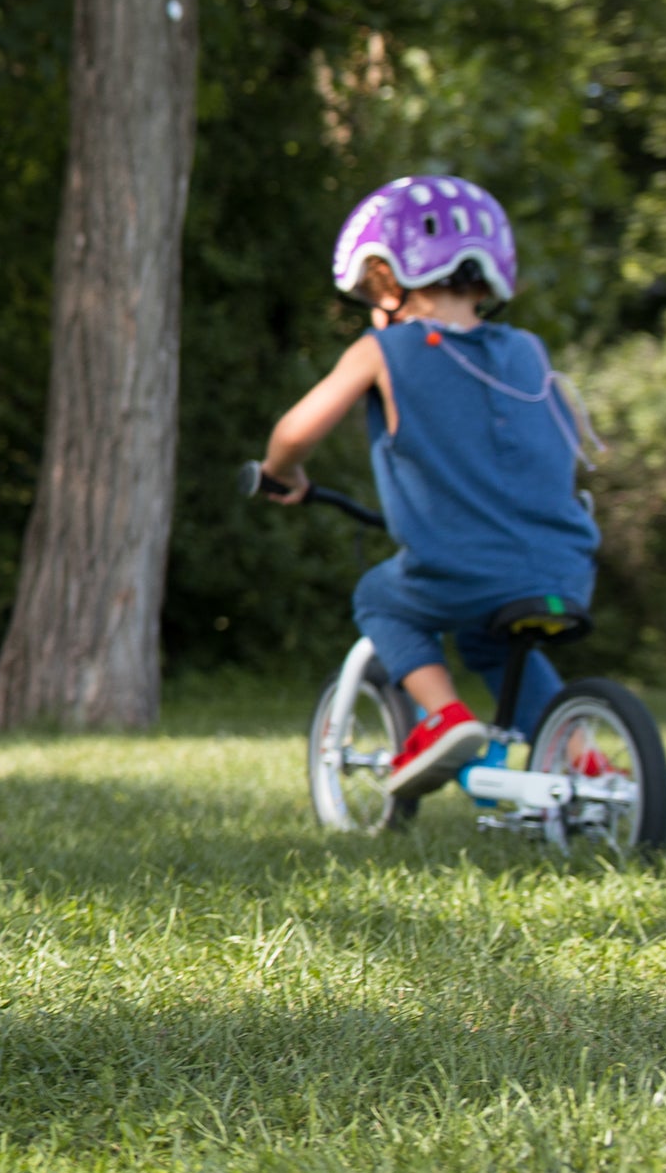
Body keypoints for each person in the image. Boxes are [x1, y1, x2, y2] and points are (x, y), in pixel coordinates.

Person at [256, 175, 601, 801]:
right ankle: (584, 759)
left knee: (381, 598)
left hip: (462, 568)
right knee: (487, 639)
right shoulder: (528, 349)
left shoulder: (383, 348)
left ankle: (444, 718)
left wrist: (283, 472)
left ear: (387, 276)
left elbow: (294, 432)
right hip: (566, 566)